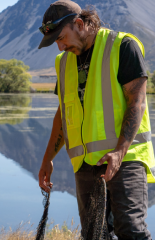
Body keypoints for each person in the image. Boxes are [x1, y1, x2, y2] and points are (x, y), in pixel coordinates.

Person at [37, 0, 155, 239]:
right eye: (56, 42)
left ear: (79, 24)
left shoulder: (123, 46)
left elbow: (137, 103)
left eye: (62, 38)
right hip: (85, 164)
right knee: (94, 234)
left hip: (126, 158)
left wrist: (119, 153)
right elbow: (63, 112)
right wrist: (48, 158)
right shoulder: (63, 63)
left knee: (131, 231)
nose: (60, 47)